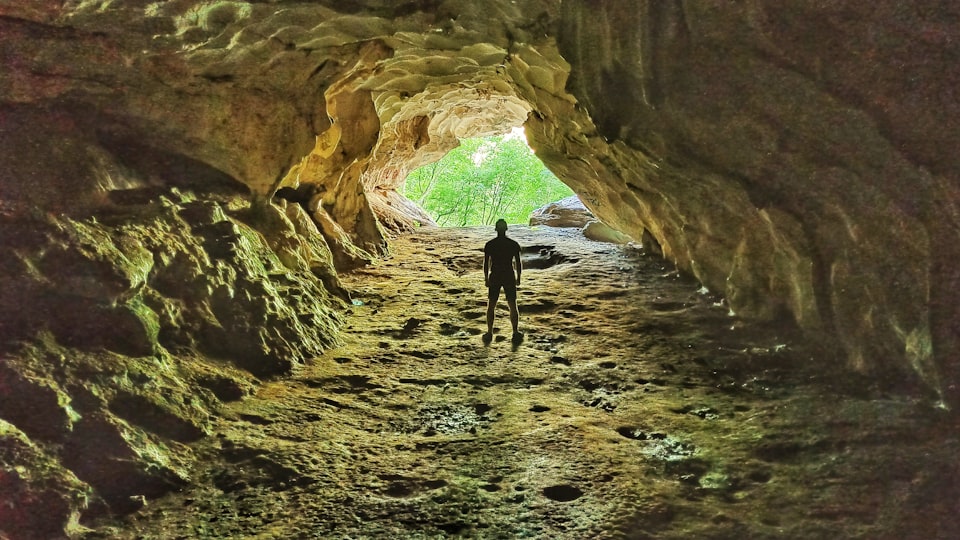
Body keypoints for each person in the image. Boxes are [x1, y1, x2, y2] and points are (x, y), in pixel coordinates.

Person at [483, 219, 522, 343]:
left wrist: (486, 277)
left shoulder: (490, 244)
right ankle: (515, 332)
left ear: (496, 229)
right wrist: (518, 277)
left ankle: (489, 332)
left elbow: (486, 263)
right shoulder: (513, 244)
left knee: (491, 305)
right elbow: (518, 263)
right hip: (508, 275)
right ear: (506, 229)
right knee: (512, 304)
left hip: (495, 275)